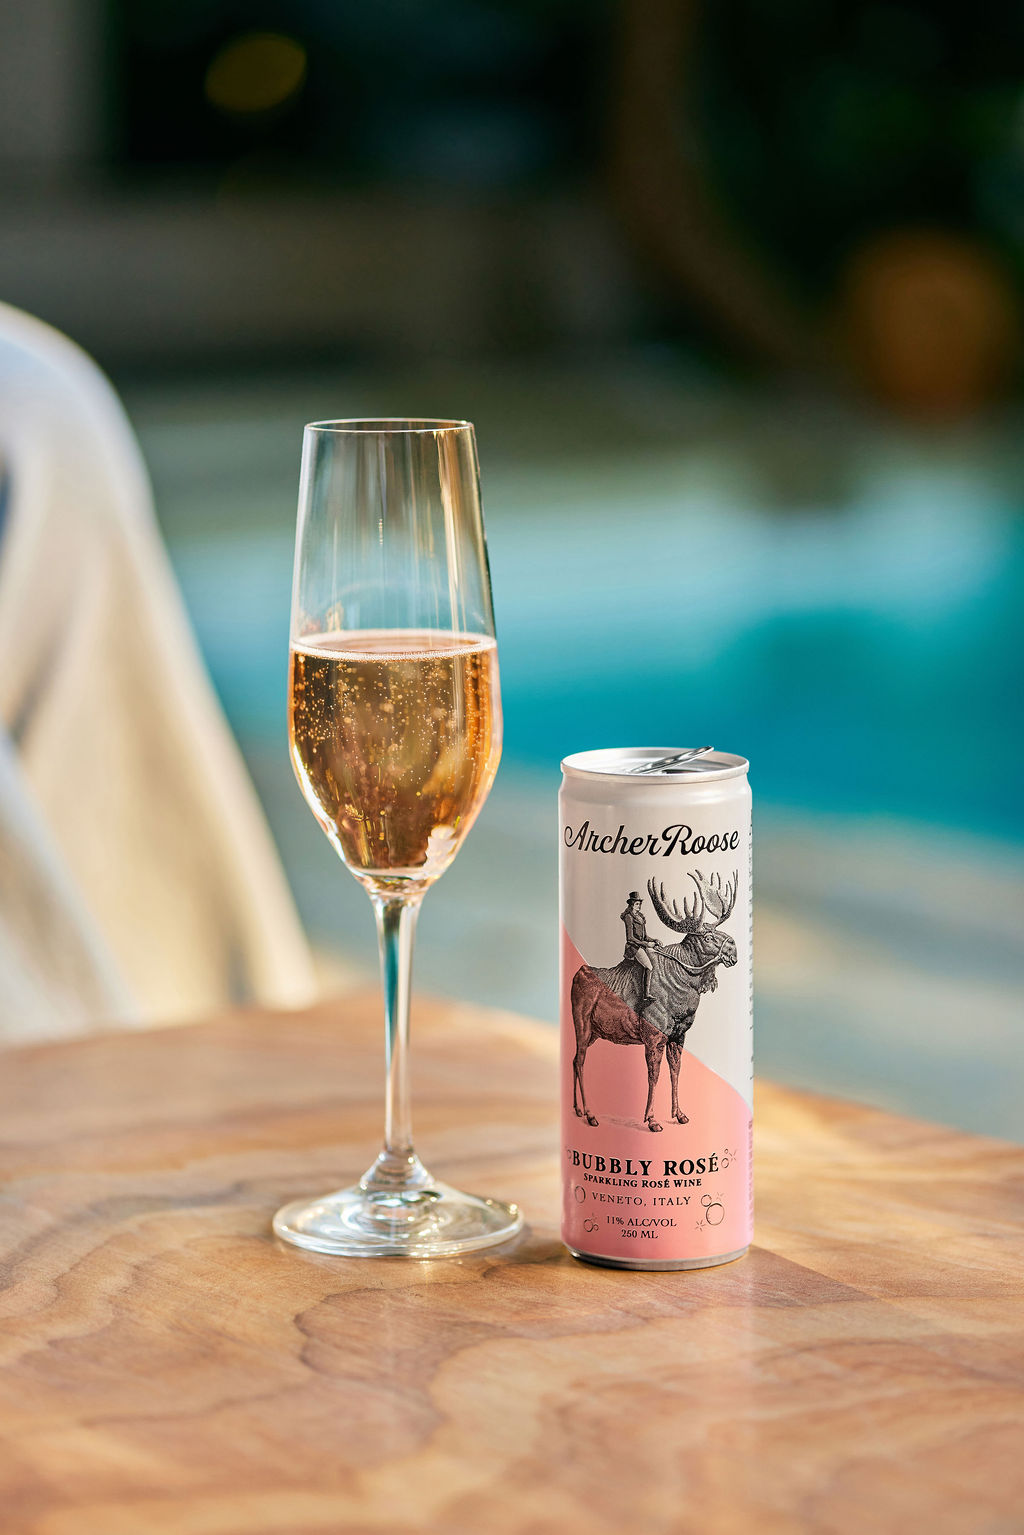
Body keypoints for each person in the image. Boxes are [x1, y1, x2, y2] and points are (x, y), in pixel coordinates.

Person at [620, 891, 660, 1014]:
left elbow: (645, 936)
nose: (639, 906)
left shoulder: (640, 917)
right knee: (649, 966)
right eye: (637, 904)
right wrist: (647, 945)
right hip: (633, 947)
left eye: (640, 903)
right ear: (632, 904)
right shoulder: (629, 917)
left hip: (641, 945)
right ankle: (646, 994)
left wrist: (654, 940)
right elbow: (630, 938)